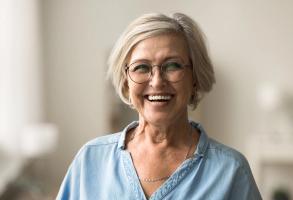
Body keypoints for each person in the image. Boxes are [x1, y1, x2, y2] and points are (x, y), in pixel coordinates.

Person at [56, 13, 262, 200]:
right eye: (141, 67)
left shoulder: (231, 171)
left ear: (195, 78)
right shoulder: (90, 160)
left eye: (172, 65)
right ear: (126, 80)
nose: (156, 81)